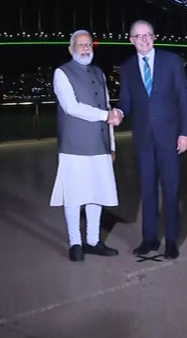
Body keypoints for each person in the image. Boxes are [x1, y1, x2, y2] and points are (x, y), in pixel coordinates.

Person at [111, 20, 187, 259]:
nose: (144, 39)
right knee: (147, 191)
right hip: (144, 139)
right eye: (139, 36)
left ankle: (172, 241)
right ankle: (149, 239)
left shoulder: (171, 61)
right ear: (131, 40)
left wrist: (185, 132)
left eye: (148, 35)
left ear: (154, 37)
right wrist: (119, 112)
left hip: (170, 137)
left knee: (171, 190)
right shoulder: (127, 68)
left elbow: (183, 100)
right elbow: (126, 100)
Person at [50, 30, 120, 262]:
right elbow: (71, 107)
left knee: (96, 194)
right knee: (74, 195)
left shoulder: (99, 73)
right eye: (80, 44)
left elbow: (107, 104)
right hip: (74, 145)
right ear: (71, 49)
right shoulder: (61, 73)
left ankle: (92, 240)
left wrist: (111, 145)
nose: (85, 47)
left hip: (99, 144)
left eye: (89, 43)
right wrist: (105, 115)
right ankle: (75, 243)